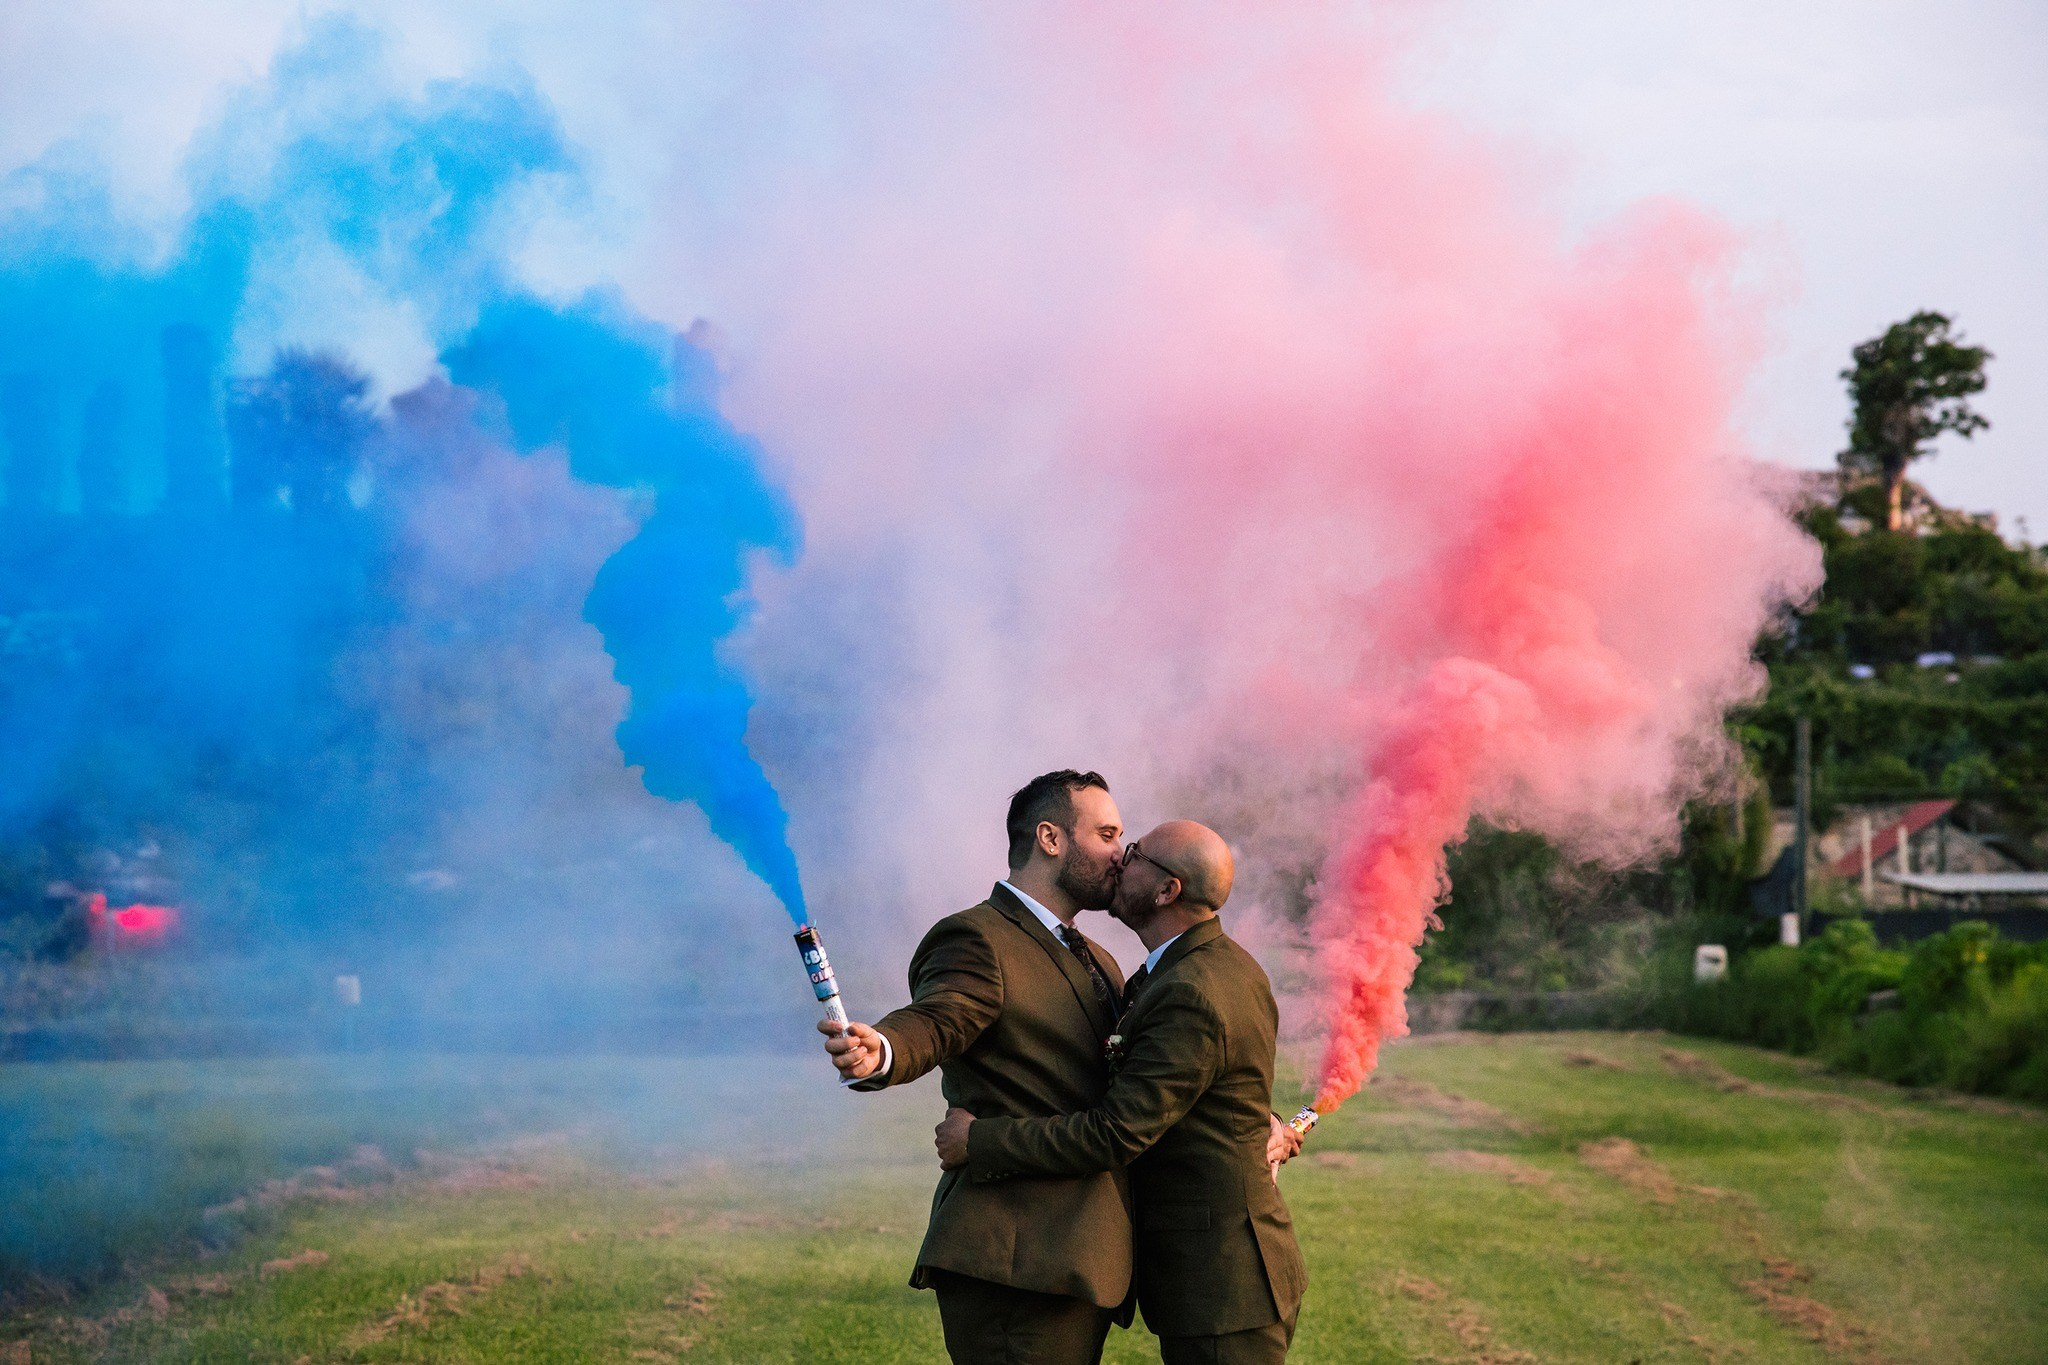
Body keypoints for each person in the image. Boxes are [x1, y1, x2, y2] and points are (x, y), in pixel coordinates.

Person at [934, 821, 1308, 1365]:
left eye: (1133, 854)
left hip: (1223, 1281)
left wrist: (979, 1142)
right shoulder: (1200, 968)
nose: (1117, 861)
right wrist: (1261, 1121)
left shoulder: (1191, 989)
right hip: (1218, 1277)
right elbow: (1218, 1086)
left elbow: (1116, 1131)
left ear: (1166, 890)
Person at [821, 769, 1133, 1365]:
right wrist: (880, 1049)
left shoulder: (1099, 957)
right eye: (1107, 834)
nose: (1121, 854)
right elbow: (938, 1018)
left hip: (1078, 1260)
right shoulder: (978, 937)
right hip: (1014, 1264)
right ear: (1051, 838)